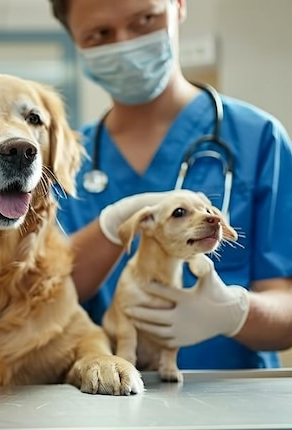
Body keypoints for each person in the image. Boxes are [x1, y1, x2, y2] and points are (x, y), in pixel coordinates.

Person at [49, 0, 292, 369]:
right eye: (101, 34)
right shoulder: (65, 162)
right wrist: (111, 227)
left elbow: (285, 307)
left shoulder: (258, 139)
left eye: (144, 20)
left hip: (235, 400)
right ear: (74, 39)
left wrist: (235, 312)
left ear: (178, 5)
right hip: (112, 401)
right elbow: (44, 300)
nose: (126, 44)